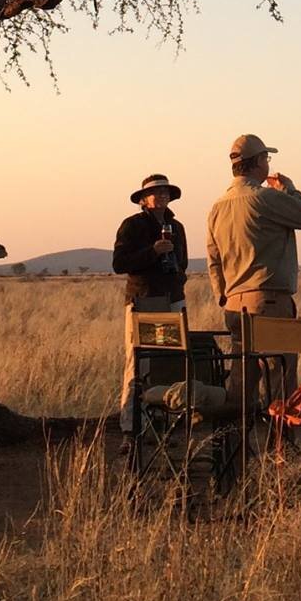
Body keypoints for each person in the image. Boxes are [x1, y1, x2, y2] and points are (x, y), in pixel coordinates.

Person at [206, 132, 301, 413]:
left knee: (241, 386)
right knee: (280, 384)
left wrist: (224, 297)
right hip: (268, 302)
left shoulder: (217, 207)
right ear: (258, 162)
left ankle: (235, 449)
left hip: (234, 304)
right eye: (266, 158)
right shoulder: (265, 198)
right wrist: (290, 189)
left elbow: (213, 260)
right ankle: (281, 451)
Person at [112, 172, 190, 440]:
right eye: (156, 192)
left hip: (172, 301)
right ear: (143, 200)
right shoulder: (132, 226)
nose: (162, 196)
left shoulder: (177, 227)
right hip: (144, 302)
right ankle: (130, 428)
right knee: (139, 364)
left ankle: (163, 426)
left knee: (167, 363)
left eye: (166, 192)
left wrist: (177, 276)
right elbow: (119, 264)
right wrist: (153, 252)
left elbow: (184, 262)